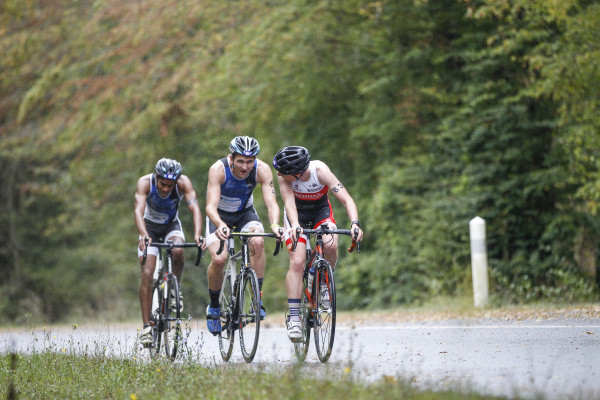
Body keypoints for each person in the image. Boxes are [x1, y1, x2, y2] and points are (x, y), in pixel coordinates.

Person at [272, 146, 364, 342]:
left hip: (320, 212)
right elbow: (289, 202)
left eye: (282, 172)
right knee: (297, 261)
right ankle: (294, 318)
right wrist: (295, 225)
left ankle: (323, 282)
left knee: (331, 244)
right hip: (296, 215)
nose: (278, 174)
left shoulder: (320, 170)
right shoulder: (284, 178)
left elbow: (347, 200)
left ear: (296, 173)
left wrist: (355, 224)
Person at [204, 136, 282, 334]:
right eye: (240, 161)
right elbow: (210, 207)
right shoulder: (218, 169)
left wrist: (274, 225)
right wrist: (220, 225)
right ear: (231, 158)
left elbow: (272, 204)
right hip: (218, 216)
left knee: (257, 241)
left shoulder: (262, 170)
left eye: (250, 161)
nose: (245, 167)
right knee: (219, 260)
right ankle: (214, 306)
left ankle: (256, 299)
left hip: (244, 214)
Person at [134, 158, 205, 346]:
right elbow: (138, 211)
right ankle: (146, 327)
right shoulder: (145, 183)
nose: (166, 189)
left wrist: (198, 234)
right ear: (157, 178)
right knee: (147, 273)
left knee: (178, 249)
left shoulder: (183, 183)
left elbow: (195, 209)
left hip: (171, 226)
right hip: (149, 228)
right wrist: (143, 234)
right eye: (163, 184)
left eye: (170, 185)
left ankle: (174, 288)